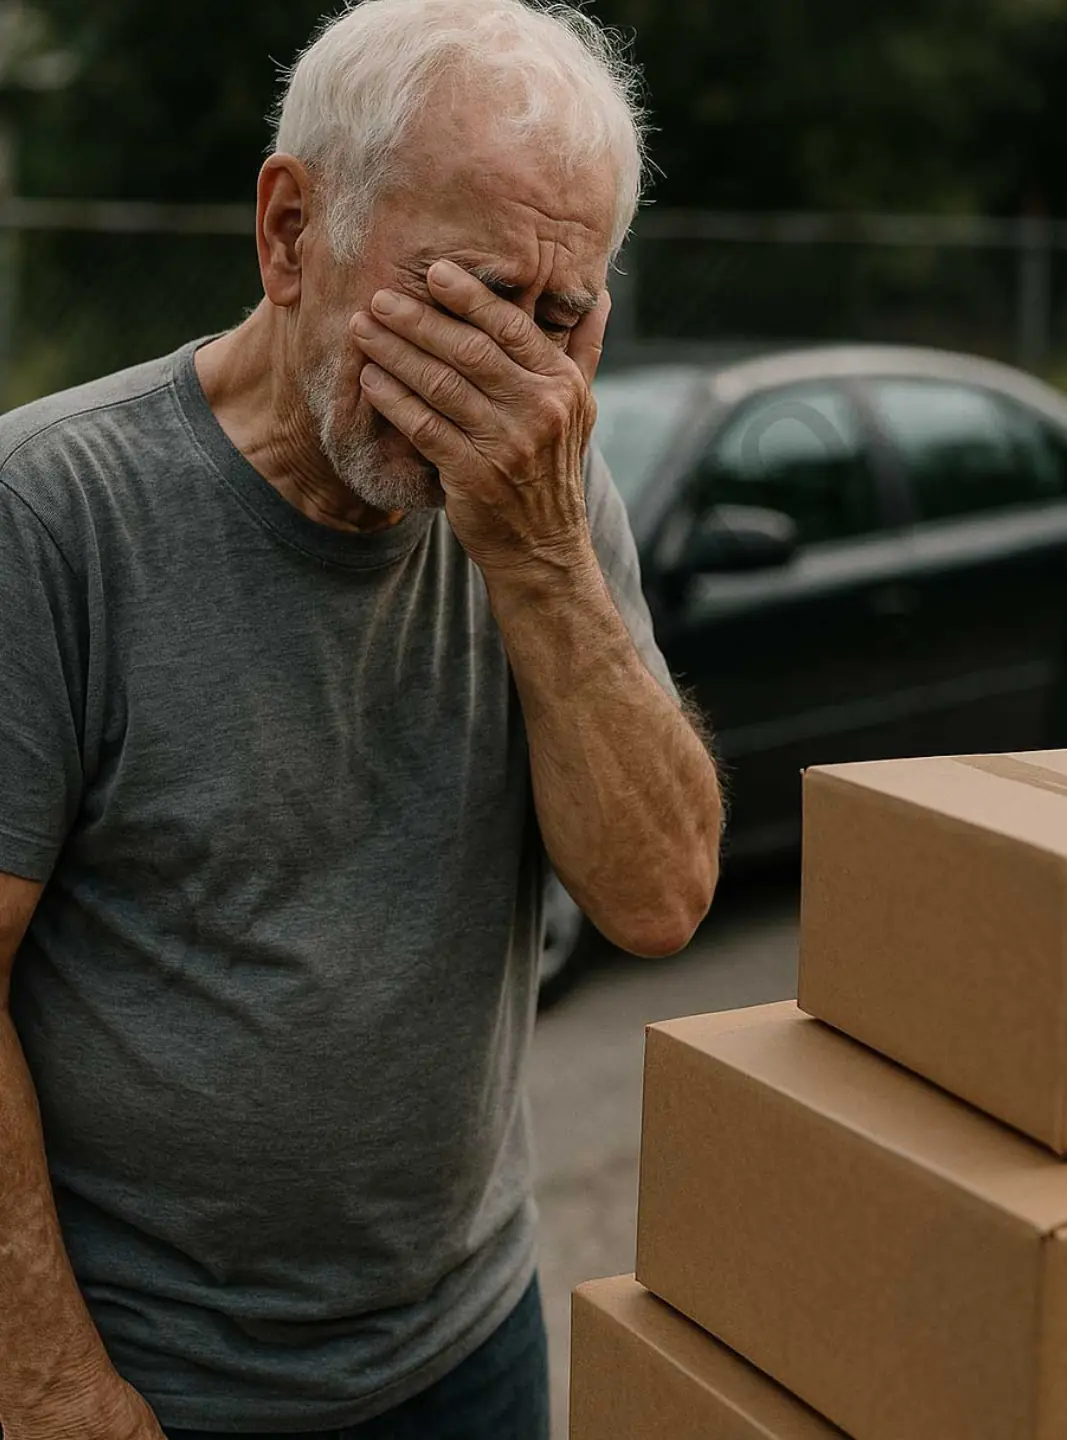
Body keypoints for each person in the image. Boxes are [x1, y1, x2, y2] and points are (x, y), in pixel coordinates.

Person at [0, 0, 723, 1435]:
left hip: (466, 1345)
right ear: (290, 234)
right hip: (151, 1376)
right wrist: (47, 1379)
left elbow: (658, 898)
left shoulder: (549, 494)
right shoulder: (50, 513)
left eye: (556, 319)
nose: (508, 378)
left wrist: (540, 560)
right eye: (463, 298)